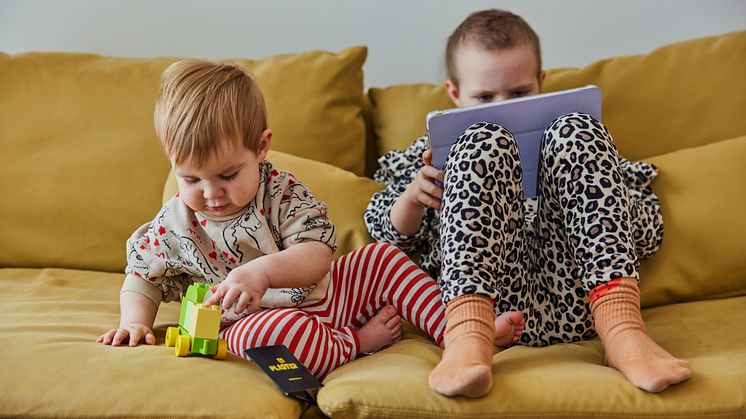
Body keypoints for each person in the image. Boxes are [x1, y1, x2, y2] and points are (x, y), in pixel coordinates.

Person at [96, 60, 521, 378]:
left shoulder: (280, 191)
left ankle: (459, 331)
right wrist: (135, 322)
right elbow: (142, 274)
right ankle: (353, 344)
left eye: (228, 175)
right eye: (190, 177)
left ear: (261, 148)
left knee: (383, 259)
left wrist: (261, 272)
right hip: (259, 321)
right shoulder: (176, 221)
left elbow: (318, 254)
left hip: (329, 293)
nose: (210, 194)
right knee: (254, 340)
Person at [365, 9, 691, 397]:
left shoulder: (575, 145)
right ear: (454, 92)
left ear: (541, 82)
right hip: (491, 309)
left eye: (519, 94)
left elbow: (647, 235)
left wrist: (600, 174)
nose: (503, 106)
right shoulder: (431, 153)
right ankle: (467, 340)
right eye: (484, 97)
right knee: (480, 140)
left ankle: (624, 334)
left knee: (578, 131)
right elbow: (386, 236)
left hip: (577, 303)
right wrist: (414, 199)